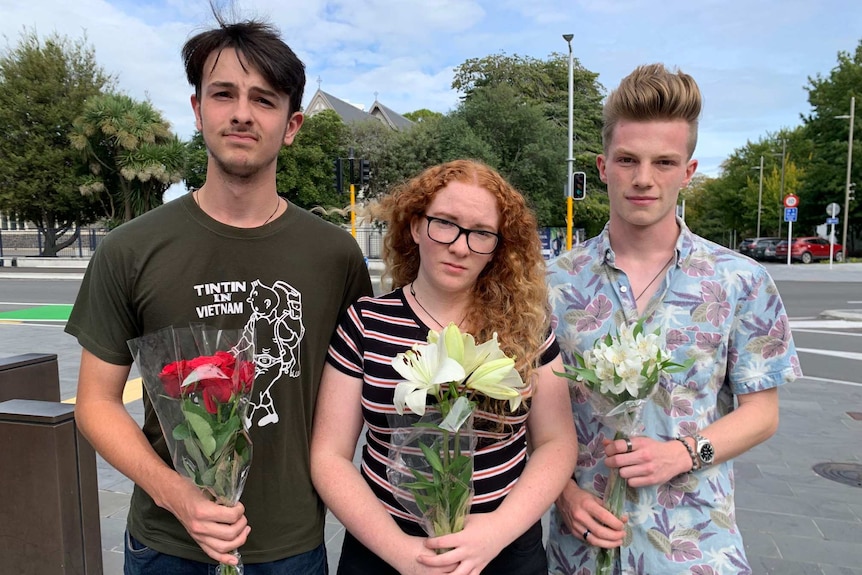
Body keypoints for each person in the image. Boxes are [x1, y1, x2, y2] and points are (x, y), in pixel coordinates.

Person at [65, 11, 372, 574]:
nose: (241, 113)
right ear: (197, 109)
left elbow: (349, 406)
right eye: (223, 93)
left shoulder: (335, 257)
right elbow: (95, 402)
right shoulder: (130, 250)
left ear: (293, 124)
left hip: (292, 546)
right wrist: (175, 494)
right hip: (167, 543)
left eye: (263, 99)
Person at [545, 63, 802, 574]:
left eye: (664, 162)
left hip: (695, 547)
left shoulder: (739, 281)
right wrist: (563, 495)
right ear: (602, 166)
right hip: (579, 551)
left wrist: (683, 454)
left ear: (688, 171)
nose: (644, 179)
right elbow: (533, 415)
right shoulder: (552, 283)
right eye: (627, 160)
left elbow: (761, 413)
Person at [310, 159, 577, 575]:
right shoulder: (365, 322)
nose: (460, 245)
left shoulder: (527, 326)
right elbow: (330, 455)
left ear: (498, 246)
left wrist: (494, 533)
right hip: (386, 550)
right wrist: (402, 552)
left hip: (502, 550)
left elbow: (556, 443)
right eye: (445, 223)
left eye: (481, 233)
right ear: (416, 227)